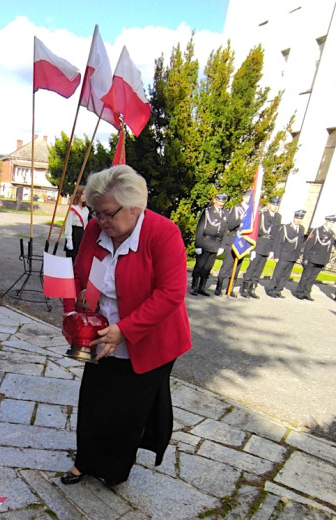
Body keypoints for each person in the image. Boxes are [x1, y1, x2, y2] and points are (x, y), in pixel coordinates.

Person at [60, 165, 191, 487]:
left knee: (127, 412)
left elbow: (171, 292)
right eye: (96, 213)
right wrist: (72, 317)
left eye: (107, 214)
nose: (100, 221)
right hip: (102, 332)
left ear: (133, 208)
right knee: (94, 401)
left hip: (151, 338)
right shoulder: (94, 230)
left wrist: (126, 330)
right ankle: (85, 461)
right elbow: (77, 276)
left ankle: (115, 470)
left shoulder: (163, 233)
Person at [240, 195, 282, 299]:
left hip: (268, 247)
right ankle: (245, 289)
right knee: (251, 268)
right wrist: (253, 248)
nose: (275, 207)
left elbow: (276, 235)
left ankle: (252, 289)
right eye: (273, 204)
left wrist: (273, 251)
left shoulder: (278, 217)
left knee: (259, 270)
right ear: (269, 204)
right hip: (259, 245)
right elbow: (255, 232)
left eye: (277, 205)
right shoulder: (261, 215)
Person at [191, 192, 230, 296]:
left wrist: (222, 246)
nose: (221, 203)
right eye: (219, 201)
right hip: (205, 242)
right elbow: (200, 229)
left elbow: (225, 231)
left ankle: (202, 287)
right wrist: (198, 245)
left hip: (216, 244)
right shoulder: (207, 211)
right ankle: (194, 286)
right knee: (199, 266)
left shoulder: (226, 213)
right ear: (214, 200)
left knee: (208, 267)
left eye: (223, 201)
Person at [215, 190, 251, 296]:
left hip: (243, 241)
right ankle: (219, 287)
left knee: (237, 268)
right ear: (244, 197)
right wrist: (241, 220)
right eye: (249, 197)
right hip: (233, 238)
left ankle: (230, 288)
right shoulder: (236, 208)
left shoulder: (251, 212)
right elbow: (230, 225)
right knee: (226, 266)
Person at [293, 214, 336, 300]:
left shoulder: (331, 233)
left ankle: (307, 292)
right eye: (330, 222)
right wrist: (305, 258)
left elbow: (329, 248)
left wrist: (326, 260)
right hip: (312, 257)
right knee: (306, 276)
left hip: (321, 259)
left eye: (332, 223)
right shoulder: (317, 231)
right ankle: (300, 292)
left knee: (312, 278)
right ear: (326, 221)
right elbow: (309, 245)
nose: (331, 224)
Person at [265, 210, 306, 297]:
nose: (298, 220)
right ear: (294, 218)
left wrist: (297, 256)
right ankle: (271, 290)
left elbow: (299, 244)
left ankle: (278, 290)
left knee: (285, 275)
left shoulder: (301, 229)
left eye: (300, 218)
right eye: (297, 218)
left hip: (293, 256)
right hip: (283, 255)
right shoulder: (285, 228)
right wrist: (276, 256)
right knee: (278, 273)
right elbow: (279, 242)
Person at [63, 187, 89, 260]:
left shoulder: (86, 209)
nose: (84, 196)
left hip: (82, 234)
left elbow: (86, 225)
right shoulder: (72, 208)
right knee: (71, 259)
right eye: (82, 194)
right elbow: (68, 225)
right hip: (74, 234)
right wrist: (69, 240)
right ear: (78, 194)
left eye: (85, 194)